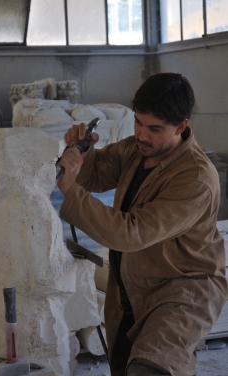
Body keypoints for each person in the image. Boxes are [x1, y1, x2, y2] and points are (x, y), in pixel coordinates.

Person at [57, 73, 228, 376]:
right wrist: (82, 153)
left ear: (181, 126)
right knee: (122, 366)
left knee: (151, 368)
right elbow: (96, 175)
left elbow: (129, 233)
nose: (142, 135)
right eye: (138, 122)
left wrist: (72, 191)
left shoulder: (195, 178)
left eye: (154, 128)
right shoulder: (134, 151)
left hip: (183, 289)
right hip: (134, 284)